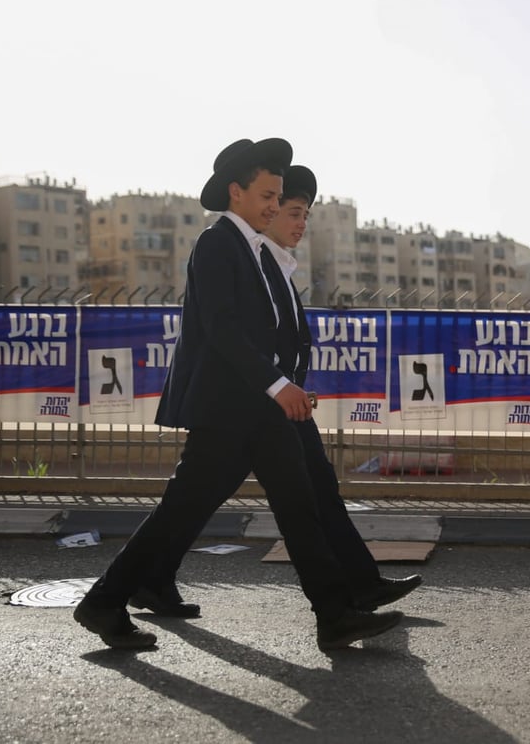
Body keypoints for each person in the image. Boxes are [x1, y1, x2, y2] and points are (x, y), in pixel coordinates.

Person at [74, 138, 403, 652]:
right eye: (269, 195)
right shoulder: (217, 243)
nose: (275, 205)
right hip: (228, 409)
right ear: (237, 191)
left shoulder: (251, 249)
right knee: (185, 512)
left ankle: (336, 613)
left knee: (296, 504)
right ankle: (105, 600)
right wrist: (277, 383)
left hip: (255, 407)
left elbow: (268, 331)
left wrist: (280, 385)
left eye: (279, 196)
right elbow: (223, 329)